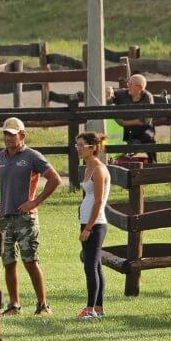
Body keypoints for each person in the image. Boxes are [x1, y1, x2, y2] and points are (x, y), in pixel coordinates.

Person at [0, 117, 62, 316]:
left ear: (22, 135)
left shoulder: (32, 156)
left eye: (12, 134)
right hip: (5, 219)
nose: (8, 138)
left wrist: (35, 202)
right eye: (5, 134)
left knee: (30, 261)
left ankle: (43, 305)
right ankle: (14, 305)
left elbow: (55, 179)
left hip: (26, 219)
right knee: (8, 263)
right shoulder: (0, 158)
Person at [75, 132, 110, 320]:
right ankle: (98, 308)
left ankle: (91, 310)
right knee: (95, 265)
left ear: (93, 148)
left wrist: (88, 228)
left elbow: (98, 201)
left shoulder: (98, 169)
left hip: (95, 224)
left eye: (81, 145)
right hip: (87, 222)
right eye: (77, 145)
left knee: (90, 266)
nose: (78, 148)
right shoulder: (88, 167)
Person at [110, 74, 156, 162]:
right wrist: (109, 90)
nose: (128, 86)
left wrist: (123, 123)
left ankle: (153, 164)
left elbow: (146, 120)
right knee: (122, 141)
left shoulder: (147, 97)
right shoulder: (124, 93)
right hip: (127, 130)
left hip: (145, 129)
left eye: (131, 84)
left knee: (148, 138)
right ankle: (121, 161)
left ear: (140, 87)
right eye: (128, 84)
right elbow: (112, 92)